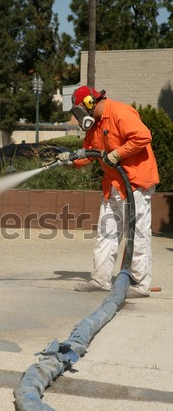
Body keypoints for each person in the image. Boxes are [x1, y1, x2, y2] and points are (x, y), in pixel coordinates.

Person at [57, 86, 159, 298]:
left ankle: (140, 285)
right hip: (113, 184)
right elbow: (91, 153)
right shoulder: (94, 125)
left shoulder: (120, 112)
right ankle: (100, 279)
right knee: (107, 232)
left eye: (77, 112)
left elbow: (143, 137)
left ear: (87, 103)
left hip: (135, 183)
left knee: (137, 233)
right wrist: (72, 162)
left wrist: (118, 154)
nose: (78, 118)